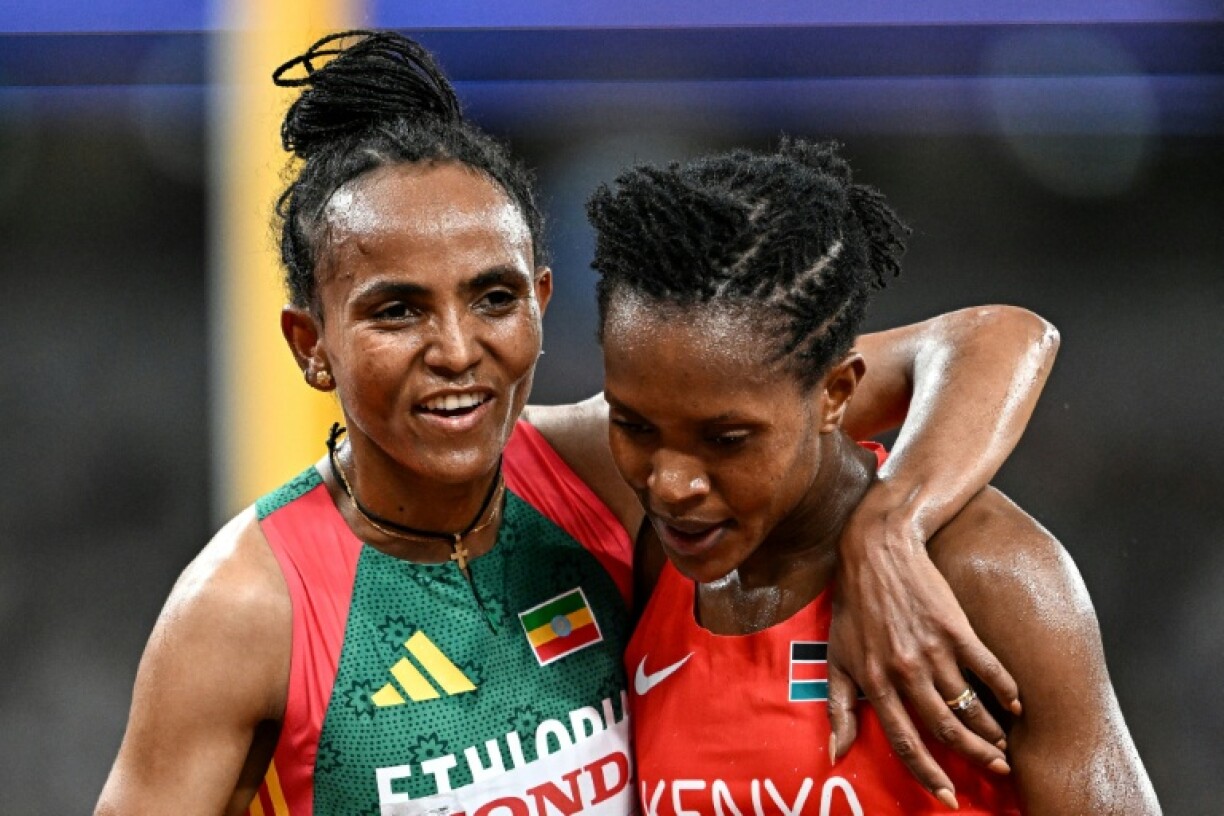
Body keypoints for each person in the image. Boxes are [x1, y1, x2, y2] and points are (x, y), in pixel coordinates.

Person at [94, 32, 1060, 815]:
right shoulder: (245, 609)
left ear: (543, 302)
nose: (456, 347)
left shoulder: (610, 464)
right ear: (311, 344)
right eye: (397, 310)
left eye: (493, 297)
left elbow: (988, 341)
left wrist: (891, 525)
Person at [589, 139, 1160, 814]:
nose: (670, 485)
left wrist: (887, 530)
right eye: (634, 426)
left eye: (726, 439)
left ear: (836, 394)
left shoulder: (988, 572)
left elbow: (1002, 333)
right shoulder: (660, 566)